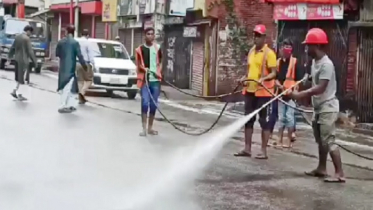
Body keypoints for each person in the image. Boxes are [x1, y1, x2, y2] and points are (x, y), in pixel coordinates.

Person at [289, 28, 345, 183]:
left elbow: (321, 87)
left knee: (329, 140)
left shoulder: (327, 65)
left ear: (318, 46)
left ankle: (339, 173)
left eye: (309, 45)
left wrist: (300, 95)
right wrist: (301, 83)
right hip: (319, 107)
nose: (306, 49)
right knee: (320, 140)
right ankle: (322, 168)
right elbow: (312, 81)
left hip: (328, 107)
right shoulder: (315, 62)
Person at [234, 24, 277, 159]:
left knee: (264, 121)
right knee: (248, 119)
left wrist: (263, 79)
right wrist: (243, 79)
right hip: (250, 91)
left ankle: (263, 151)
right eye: (254, 35)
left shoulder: (269, 54)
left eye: (258, 36)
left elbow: (274, 73)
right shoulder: (252, 51)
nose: (255, 38)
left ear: (264, 37)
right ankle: (247, 148)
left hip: (263, 93)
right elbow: (248, 71)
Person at [274, 39, 303, 148]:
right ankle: (279, 139)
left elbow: (299, 79)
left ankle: (288, 141)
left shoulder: (295, 62)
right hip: (281, 93)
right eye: (283, 46)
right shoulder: (278, 62)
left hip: (291, 94)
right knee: (281, 118)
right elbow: (275, 77)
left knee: (289, 117)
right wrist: (278, 85)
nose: (285, 49)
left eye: (288, 47)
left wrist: (294, 91)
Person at [135, 27, 162, 136]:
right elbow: (138, 64)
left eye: (152, 34)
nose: (150, 36)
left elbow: (160, 62)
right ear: (144, 36)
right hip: (145, 80)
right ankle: (144, 129)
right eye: (148, 34)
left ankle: (150, 128)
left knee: (153, 105)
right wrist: (144, 69)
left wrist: (159, 72)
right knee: (145, 103)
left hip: (155, 81)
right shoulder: (139, 49)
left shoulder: (158, 48)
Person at [56, 25, 87, 113]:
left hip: (62, 67)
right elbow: (80, 56)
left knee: (69, 87)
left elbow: (57, 54)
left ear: (66, 31)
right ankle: (62, 106)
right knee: (67, 87)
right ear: (74, 32)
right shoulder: (75, 43)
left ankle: (70, 104)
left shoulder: (60, 42)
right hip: (71, 68)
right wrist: (84, 66)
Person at [8, 25, 37, 101]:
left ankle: (14, 90)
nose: (30, 34)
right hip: (24, 61)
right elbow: (30, 52)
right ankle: (20, 94)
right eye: (30, 32)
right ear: (28, 31)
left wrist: (9, 57)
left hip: (17, 59)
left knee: (19, 77)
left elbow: (12, 48)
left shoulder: (17, 37)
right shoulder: (26, 39)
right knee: (23, 78)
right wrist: (35, 61)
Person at [76, 29, 94, 104]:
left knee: (80, 80)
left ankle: (80, 98)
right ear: (87, 35)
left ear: (81, 34)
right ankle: (82, 92)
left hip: (77, 63)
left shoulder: (77, 42)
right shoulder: (87, 43)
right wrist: (93, 63)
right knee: (89, 80)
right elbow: (90, 54)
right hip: (85, 63)